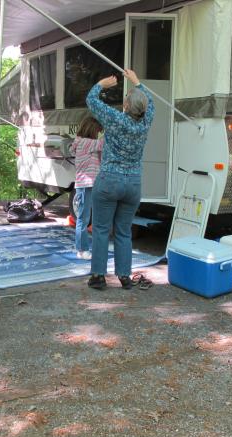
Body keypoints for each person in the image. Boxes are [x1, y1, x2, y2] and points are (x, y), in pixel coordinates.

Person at [85, 69, 155, 290]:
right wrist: (137, 83)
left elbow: (90, 100)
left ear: (126, 106)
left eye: (126, 98)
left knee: (101, 229)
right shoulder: (145, 123)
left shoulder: (114, 118)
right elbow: (151, 103)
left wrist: (101, 84)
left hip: (109, 180)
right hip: (133, 183)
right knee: (124, 231)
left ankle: (98, 276)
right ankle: (124, 276)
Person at [69, 116, 103, 259]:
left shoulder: (80, 142)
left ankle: (84, 248)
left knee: (85, 218)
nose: (99, 134)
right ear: (92, 130)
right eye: (98, 131)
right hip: (86, 185)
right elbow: (104, 143)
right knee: (84, 218)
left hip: (88, 185)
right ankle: (82, 250)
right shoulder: (87, 143)